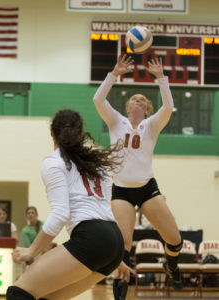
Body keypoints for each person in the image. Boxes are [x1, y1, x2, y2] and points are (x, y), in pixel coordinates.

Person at [6, 109, 132, 300]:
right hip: (113, 241)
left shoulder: (54, 162)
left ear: (52, 133)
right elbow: (105, 209)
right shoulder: (96, 163)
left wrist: (32, 250)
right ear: (79, 133)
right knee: (45, 297)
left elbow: (60, 213)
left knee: (18, 293)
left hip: (92, 239)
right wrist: (112, 253)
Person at [93, 54, 183, 299]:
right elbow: (98, 99)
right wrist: (114, 74)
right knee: (123, 247)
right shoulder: (115, 121)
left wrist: (162, 79)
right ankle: (120, 294)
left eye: (142, 99)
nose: (138, 101)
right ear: (128, 106)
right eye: (134, 98)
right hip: (121, 189)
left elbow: (168, 107)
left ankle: (171, 264)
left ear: (146, 109)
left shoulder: (152, 125)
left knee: (175, 240)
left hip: (147, 187)